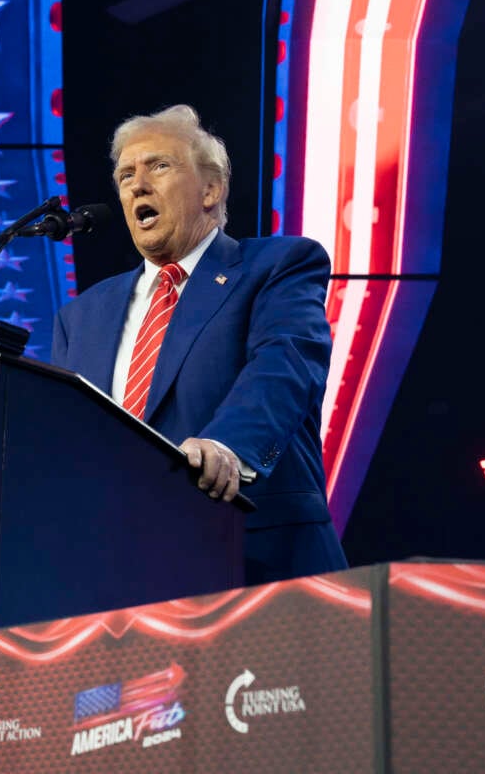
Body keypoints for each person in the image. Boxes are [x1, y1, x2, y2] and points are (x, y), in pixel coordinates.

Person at [52, 104, 348, 585]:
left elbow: (285, 366)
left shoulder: (278, 265)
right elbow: (66, 442)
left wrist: (226, 445)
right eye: (125, 174)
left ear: (211, 189)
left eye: (159, 166)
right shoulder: (80, 317)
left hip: (256, 559)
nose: (137, 185)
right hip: (120, 577)